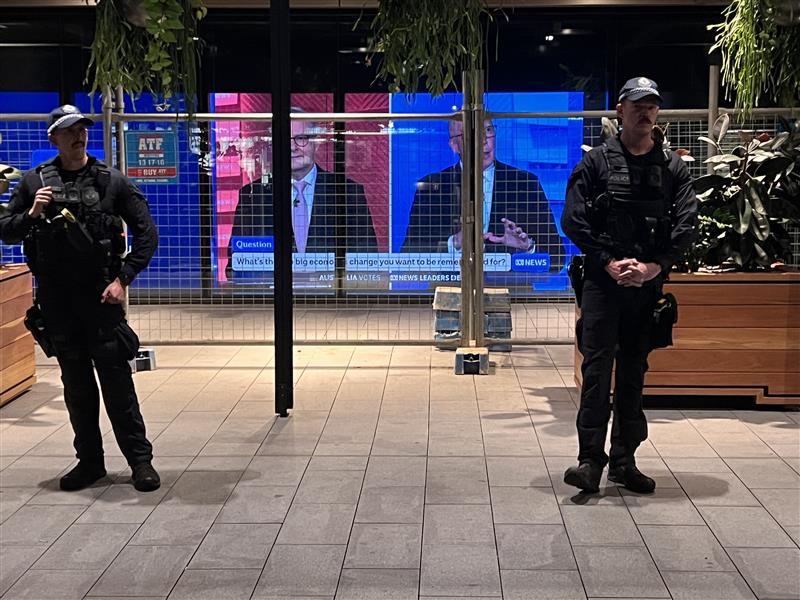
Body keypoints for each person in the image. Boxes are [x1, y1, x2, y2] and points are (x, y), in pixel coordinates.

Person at [0, 105, 160, 492]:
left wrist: (123, 279)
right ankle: (89, 463)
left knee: (118, 386)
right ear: (53, 138)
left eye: (82, 129)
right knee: (77, 388)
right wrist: (34, 213)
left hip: (101, 300)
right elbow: (6, 230)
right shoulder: (35, 182)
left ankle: (140, 462)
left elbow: (146, 234)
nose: (78, 136)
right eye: (68, 130)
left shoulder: (110, 181)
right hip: (58, 302)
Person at [561, 77, 697, 494]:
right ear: (620, 110)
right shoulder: (596, 163)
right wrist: (609, 261)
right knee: (597, 371)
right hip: (604, 284)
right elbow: (573, 219)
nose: (645, 112)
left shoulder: (672, 167)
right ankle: (589, 462)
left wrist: (655, 267)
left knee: (635, 372)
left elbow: (688, 223)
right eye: (637, 105)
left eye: (652, 106)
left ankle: (624, 460)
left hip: (646, 287)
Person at [226, 113, 377, 279]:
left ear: (316, 143)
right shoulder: (253, 195)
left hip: (332, 300)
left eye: (301, 138)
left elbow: (367, 262)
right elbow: (235, 265)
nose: (292, 147)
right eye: (285, 139)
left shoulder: (348, 193)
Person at [401, 119, 565, 270]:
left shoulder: (525, 183)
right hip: (449, 292)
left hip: (512, 293)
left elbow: (558, 258)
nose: (483, 141)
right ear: (454, 145)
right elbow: (408, 256)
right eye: (471, 135)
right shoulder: (432, 187)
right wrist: (454, 243)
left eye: (487, 130)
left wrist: (528, 247)